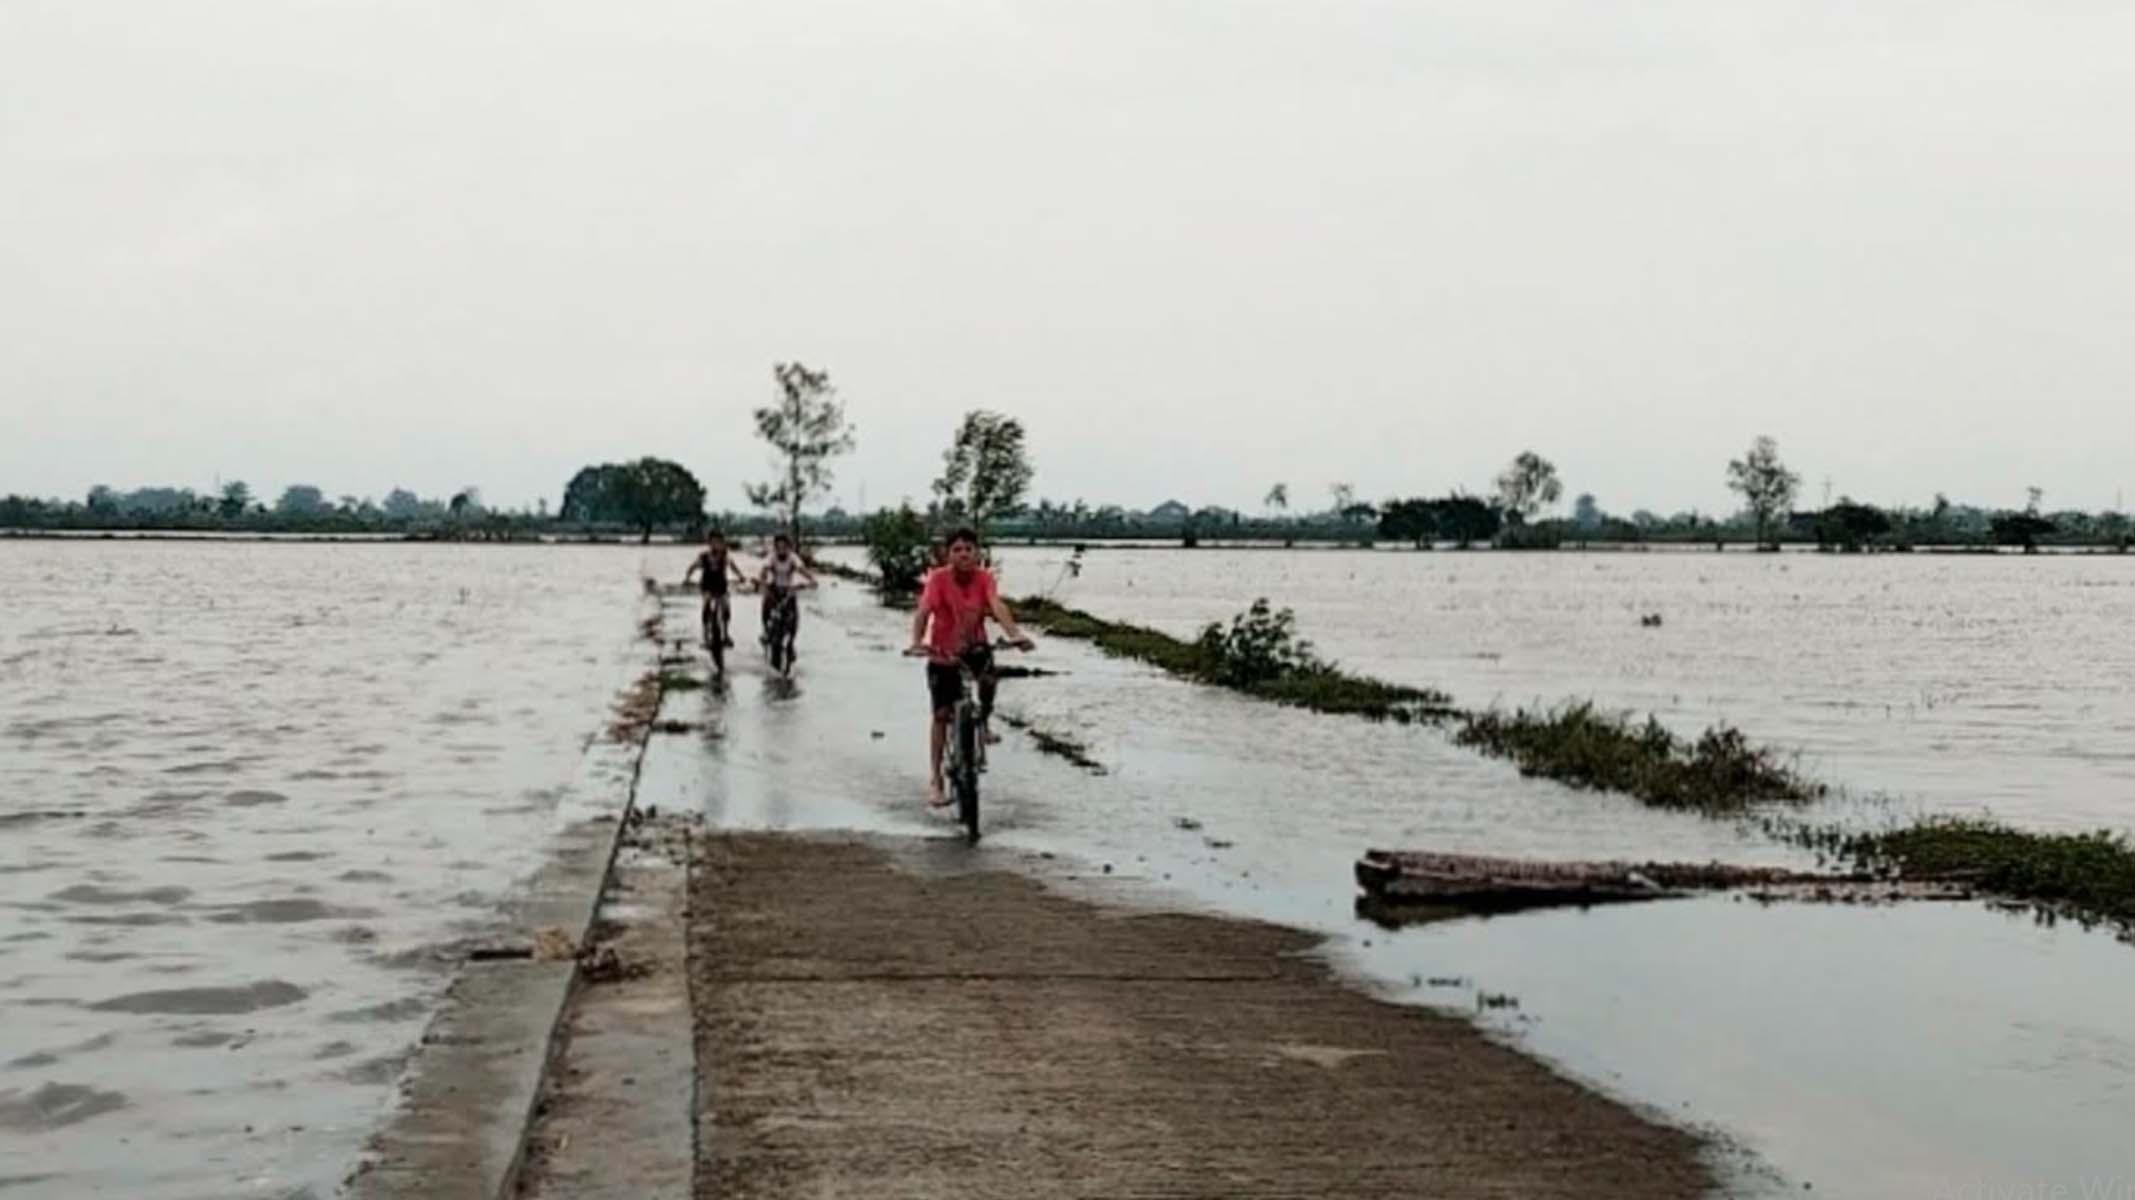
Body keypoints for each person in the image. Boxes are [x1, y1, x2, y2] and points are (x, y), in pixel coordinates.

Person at [904, 527, 1034, 808]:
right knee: (941, 715)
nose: (963, 554)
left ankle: (984, 722)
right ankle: (936, 780)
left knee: (988, 682)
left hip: (975, 648)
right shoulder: (938, 579)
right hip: (943, 653)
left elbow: (997, 606)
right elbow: (924, 612)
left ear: (978, 553)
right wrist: (917, 641)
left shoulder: (984, 578)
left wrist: (1015, 634)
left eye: (968, 549)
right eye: (957, 550)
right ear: (948, 554)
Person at [681, 530, 747, 651]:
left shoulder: (725, 556)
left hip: (721, 586)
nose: (716, 545)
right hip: (707, 586)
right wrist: (687, 578)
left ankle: (726, 634)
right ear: (709, 543)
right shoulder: (704, 556)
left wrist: (741, 577)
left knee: (726, 607)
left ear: (722, 543)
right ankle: (706, 636)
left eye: (718, 542)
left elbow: (733, 567)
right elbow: (693, 567)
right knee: (706, 606)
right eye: (713, 542)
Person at [757, 532, 819, 654]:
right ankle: (765, 631)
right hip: (774, 588)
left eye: (784, 546)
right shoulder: (771, 557)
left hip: (788, 590)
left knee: (794, 617)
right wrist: (762, 582)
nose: (781, 550)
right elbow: (764, 570)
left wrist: (812, 580)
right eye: (778, 547)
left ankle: (791, 642)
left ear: (788, 547)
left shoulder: (793, 558)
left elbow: (802, 570)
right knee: (766, 606)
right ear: (775, 547)